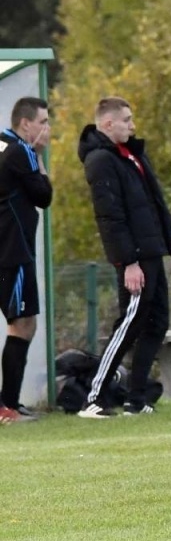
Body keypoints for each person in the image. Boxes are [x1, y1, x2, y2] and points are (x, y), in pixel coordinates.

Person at [77, 97, 171, 418]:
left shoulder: (133, 154)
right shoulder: (100, 161)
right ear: (108, 123)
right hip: (135, 258)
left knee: (157, 323)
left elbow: (155, 201)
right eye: (126, 120)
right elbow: (110, 219)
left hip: (153, 251)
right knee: (129, 323)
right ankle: (93, 397)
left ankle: (136, 400)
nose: (132, 125)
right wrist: (128, 262)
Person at [0, 98, 51, 423]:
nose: (47, 129)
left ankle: (9, 404)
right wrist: (41, 161)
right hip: (13, 252)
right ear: (25, 124)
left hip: (7, 250)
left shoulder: (1, 143)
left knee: (22, 322)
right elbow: (44, 197)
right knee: (22, 323)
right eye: (44, 122)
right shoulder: (22, 151)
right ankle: (8, 406)